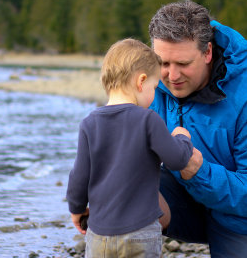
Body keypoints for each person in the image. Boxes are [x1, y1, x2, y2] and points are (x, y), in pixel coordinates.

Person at [148, 0, 247, 258]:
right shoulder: (152, 84)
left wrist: (198, 172)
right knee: (120, 201)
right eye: (163, 63)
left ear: (208, 52)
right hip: (188, 198)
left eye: (183, 64)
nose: (172, 76)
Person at [66, 38, 194, 258]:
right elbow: (176, 160)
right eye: (154, 87)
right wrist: (182, 139)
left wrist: (76, 208)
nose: (154, 95)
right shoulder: (148, 119)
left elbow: (79, 176)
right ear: (141, 81)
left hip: (100, 234)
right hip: (141, 231)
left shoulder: (89, 123)